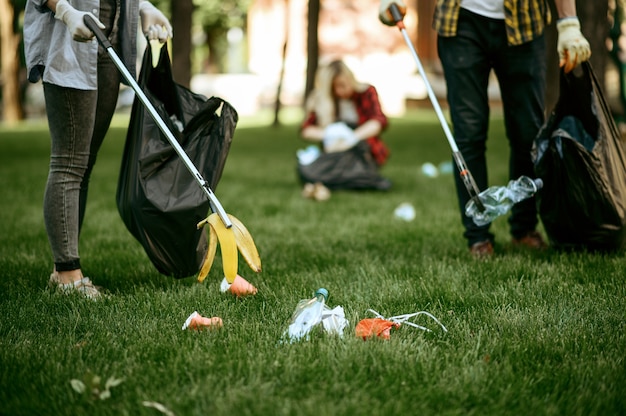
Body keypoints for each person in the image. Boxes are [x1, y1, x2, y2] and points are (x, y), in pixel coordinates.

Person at [379, 0, 591, 257]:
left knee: (528, 132)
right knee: (469, 133)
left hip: (524, 22)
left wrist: (568, 23)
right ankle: (478, 236)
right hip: (461, 22)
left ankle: (524, 229)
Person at [24, 0, 173, 298]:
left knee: (84, 164)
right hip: (71, 33)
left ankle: (63, 271)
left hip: (112, 38)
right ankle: (68, 275)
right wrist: (65, 11)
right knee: (69, 163)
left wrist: (142, 6)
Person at [298, 59, 392, 201]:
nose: (339, 91)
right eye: (334, 88)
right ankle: (350, 182)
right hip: (334, 154)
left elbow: (379, 121)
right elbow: (306, 130)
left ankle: (334, 181)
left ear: (350, 78)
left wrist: (351, 137)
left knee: (342, 164)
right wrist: (331, 134)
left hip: (362, 151)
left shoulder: (366, 92)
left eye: (342, 85)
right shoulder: (323, 100)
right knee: (308, 167)